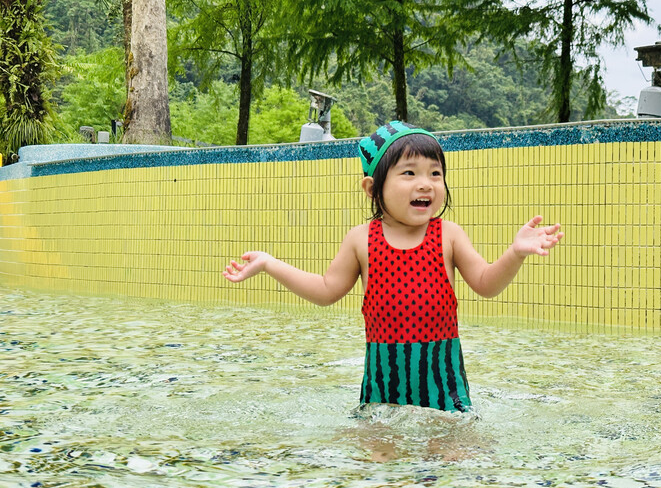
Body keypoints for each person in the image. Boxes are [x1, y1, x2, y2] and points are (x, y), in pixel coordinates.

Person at [223, 120, 563, 414]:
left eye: (435, 173)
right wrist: (270, 264)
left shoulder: (448, 236)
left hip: (444, 390)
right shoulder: (361, 240)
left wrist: (515, 253)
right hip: (383, 392)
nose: (426, 183)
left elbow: (487, 283)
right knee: (379, 473)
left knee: (452, 465)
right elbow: (326, 291)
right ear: (373, 189)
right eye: (409, 173)